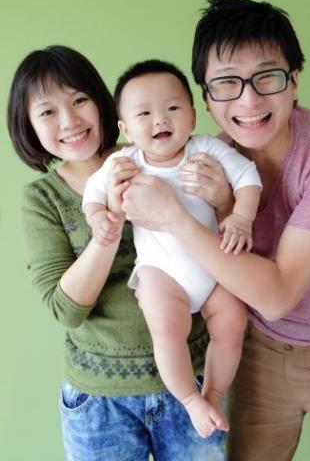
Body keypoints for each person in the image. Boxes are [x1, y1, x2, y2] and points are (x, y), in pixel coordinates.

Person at [120, 0, 310, 461]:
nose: (248, 99)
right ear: (204, 99)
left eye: (267, 77)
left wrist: (176, 218)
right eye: (226, 83)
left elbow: (277, 295)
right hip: (258, 347)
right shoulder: (206, 158)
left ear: (294, 82)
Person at [7, 45, 228, 460]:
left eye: (79, 101)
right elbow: (66, 310)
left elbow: (224, 243)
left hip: (193, 385)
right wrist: (106, 230)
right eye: (47, 112)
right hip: (99, 401)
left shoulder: (161, 155)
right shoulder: (42, 198)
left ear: (106, 106)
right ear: (29, 126)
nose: (70, 122)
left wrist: (225, 199)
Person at [82, 59, 262, 437]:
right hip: (162, 273)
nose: (160, 119)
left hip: (212, 267)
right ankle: (189, 398)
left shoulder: (207, 150)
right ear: (125, 129)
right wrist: (99, 216)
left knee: (233, 322)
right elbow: (92, 195)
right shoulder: (122, 162)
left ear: (194, 117)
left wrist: (241, 216)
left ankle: (212, 391)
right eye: (144, 113)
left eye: (173, 108)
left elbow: (248, 176)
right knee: (166, 329)